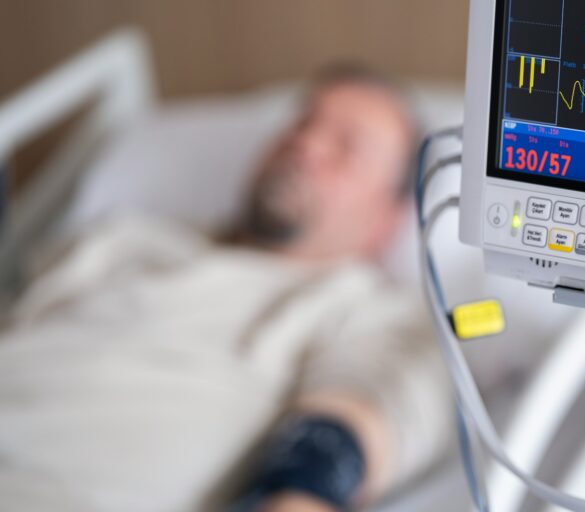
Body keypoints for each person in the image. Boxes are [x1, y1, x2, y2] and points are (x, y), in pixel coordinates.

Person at [0, 67, 451, 512]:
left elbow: (354, 431)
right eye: (302, 122)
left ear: (389, 215)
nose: (306, 143)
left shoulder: (364, 308)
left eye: (346, 148)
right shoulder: (123, 238)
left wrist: (301, 490)